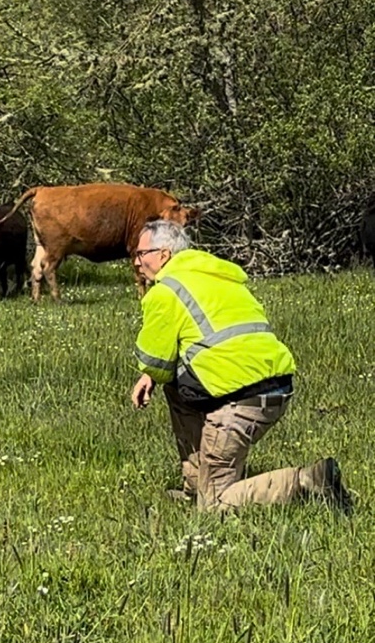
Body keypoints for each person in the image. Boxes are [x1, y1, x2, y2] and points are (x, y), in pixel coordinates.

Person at [130, 219, 351, 512]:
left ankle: (309, 480)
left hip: (237, 402)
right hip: (276, 388)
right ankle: (196, 484)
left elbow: (155, 360)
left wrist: (150, 372)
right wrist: (153, 376)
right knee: (174, 384)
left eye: (141, 253)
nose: (136, 262)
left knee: (214, 507)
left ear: (164, 255)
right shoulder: (218, 277)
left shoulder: (164, 291)